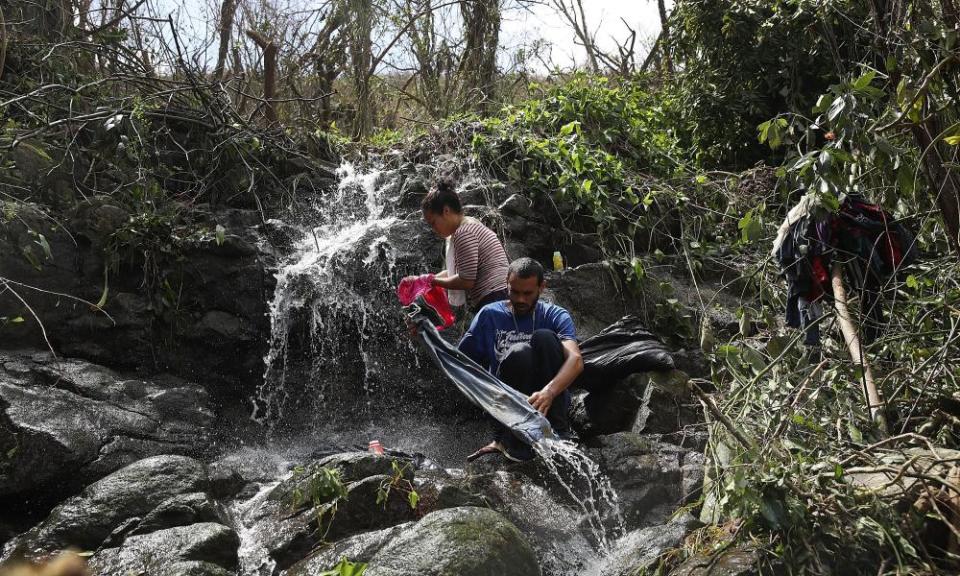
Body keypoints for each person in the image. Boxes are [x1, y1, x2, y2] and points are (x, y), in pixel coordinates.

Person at [458, 257, 583, 462]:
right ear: (506, 283)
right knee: (519, 352)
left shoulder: (555, 315)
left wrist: (549, 392)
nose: (521, 300)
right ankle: (507, 439)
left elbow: (576, 360)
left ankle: (560, 433)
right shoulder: (489, 315)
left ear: (542, 288)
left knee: (544, 337)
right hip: (508, 405)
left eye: (527, 293)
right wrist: (425, 334)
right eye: (514, 292)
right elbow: (460, 362)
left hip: (547, 400)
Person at [419, 176, 510, 313]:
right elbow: (456, 272)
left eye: (433, 222)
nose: (434, 229)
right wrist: (428, 279)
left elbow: (466, 280)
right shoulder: (469, 225)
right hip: (500, 293)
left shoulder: (464, 233)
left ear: (446, 211)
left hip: (495, 296)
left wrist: (434, 282)